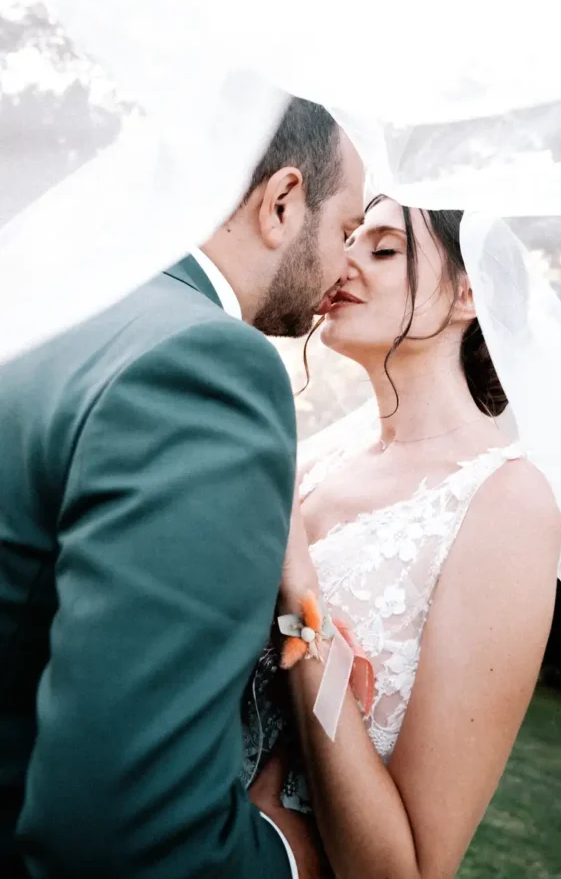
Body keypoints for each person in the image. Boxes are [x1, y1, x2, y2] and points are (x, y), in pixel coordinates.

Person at [0, 97, 365, 877]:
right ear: (280, 202)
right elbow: (122, 831)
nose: (345, 268)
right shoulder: (206, 362)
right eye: (345, 230)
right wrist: (283, 854)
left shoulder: (59, 313)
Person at [247, 194, 561, 878]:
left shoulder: (506, 502)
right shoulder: (315, 461)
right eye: (349, 238)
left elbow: (408, 870)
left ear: (468, 295)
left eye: (383, 248)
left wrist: (304, 612)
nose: (343, 259)